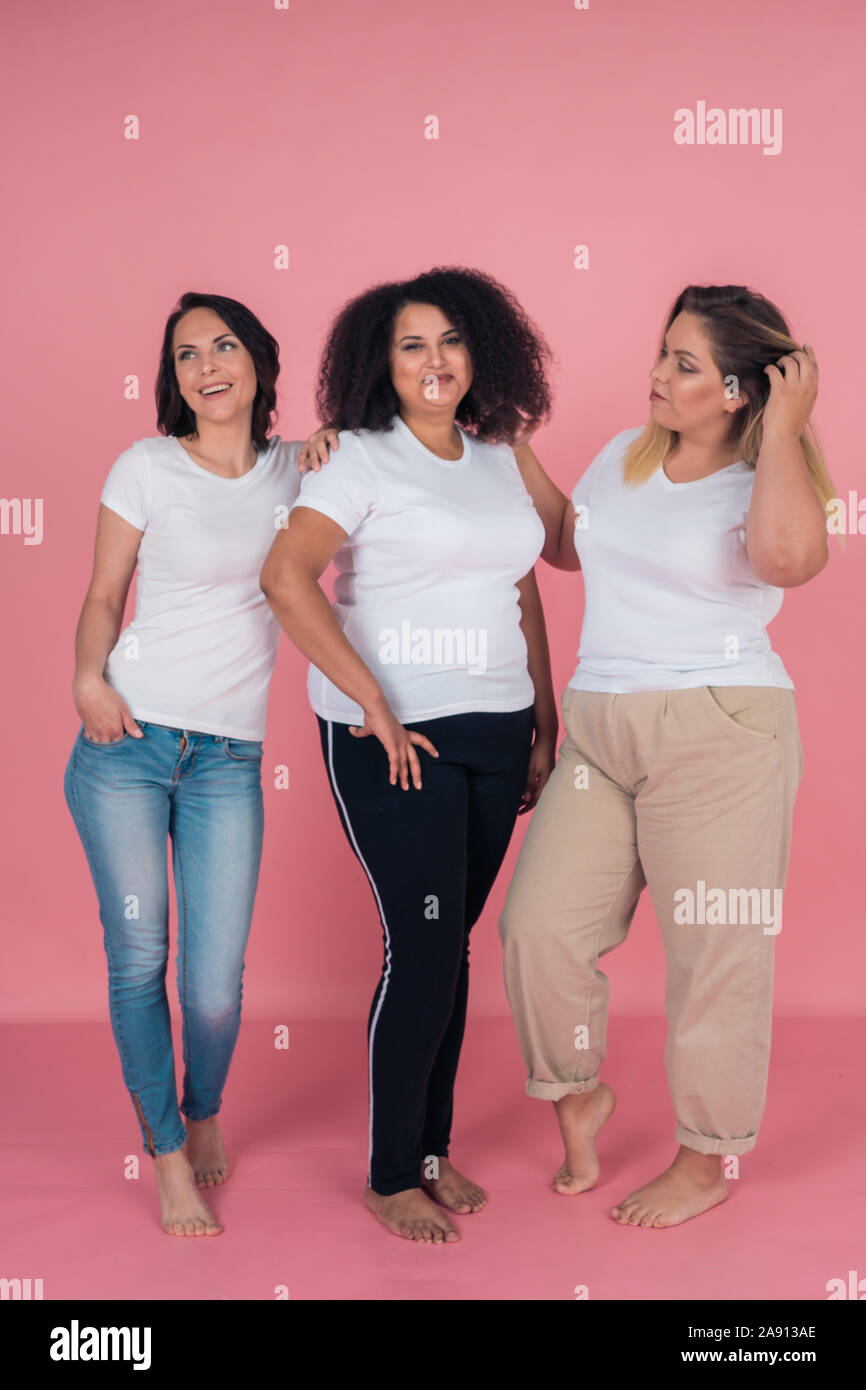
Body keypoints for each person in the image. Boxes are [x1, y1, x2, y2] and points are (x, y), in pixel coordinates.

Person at [498, 284, 837, 1228]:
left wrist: (782, 433)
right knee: (537, 930)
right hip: (600, 728)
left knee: (713, 955)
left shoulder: (768, 479)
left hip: (719, 729)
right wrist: (509, 446)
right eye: (662, 352)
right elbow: (571, 541)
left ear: (738, 389)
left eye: (683, 365)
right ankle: (578, 1091)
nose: (655, 374)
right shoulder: (624, 454)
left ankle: (703, 1159)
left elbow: (787, 563)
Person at [261, 267, 556, 1244]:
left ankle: (431, 1152)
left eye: (451, 341)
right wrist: (373, 702)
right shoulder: (356, 461)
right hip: (395, 737)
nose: (435, 361)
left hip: (496, 726)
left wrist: (542, 720)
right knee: (423, 943)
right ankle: (392, 1173)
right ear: (378, 366)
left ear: (483, 351)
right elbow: (285, 576)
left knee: (450, 946)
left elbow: (541, 569)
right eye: (411, 345)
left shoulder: (497, 456)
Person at [64, 292, 307, 1237]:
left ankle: (203, 1106)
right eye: (186, 356)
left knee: (214, 982)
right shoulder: (145, 468)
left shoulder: (298, 470)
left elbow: (366, 459)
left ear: (257, 363)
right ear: (174, 381)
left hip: (227, 760)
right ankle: (165, 1150)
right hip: (125, 746)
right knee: (140, 960)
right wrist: (88, 675)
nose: (206, 366)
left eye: (224, 347)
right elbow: (101, 594)